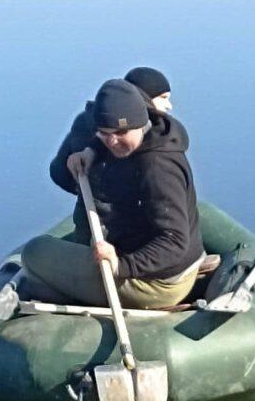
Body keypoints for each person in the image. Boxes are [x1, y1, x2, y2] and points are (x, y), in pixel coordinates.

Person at [22, 78, 204, 310]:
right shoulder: (153, 133)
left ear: (139, 121)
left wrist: (122, 265)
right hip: (163, 262)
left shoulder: (158, 169)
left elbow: (174, 241)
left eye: (120, 132)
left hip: (158, 284)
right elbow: (109, 138)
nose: (113, 141)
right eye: (104, 133)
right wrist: (91, 151)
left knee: (35, 252)